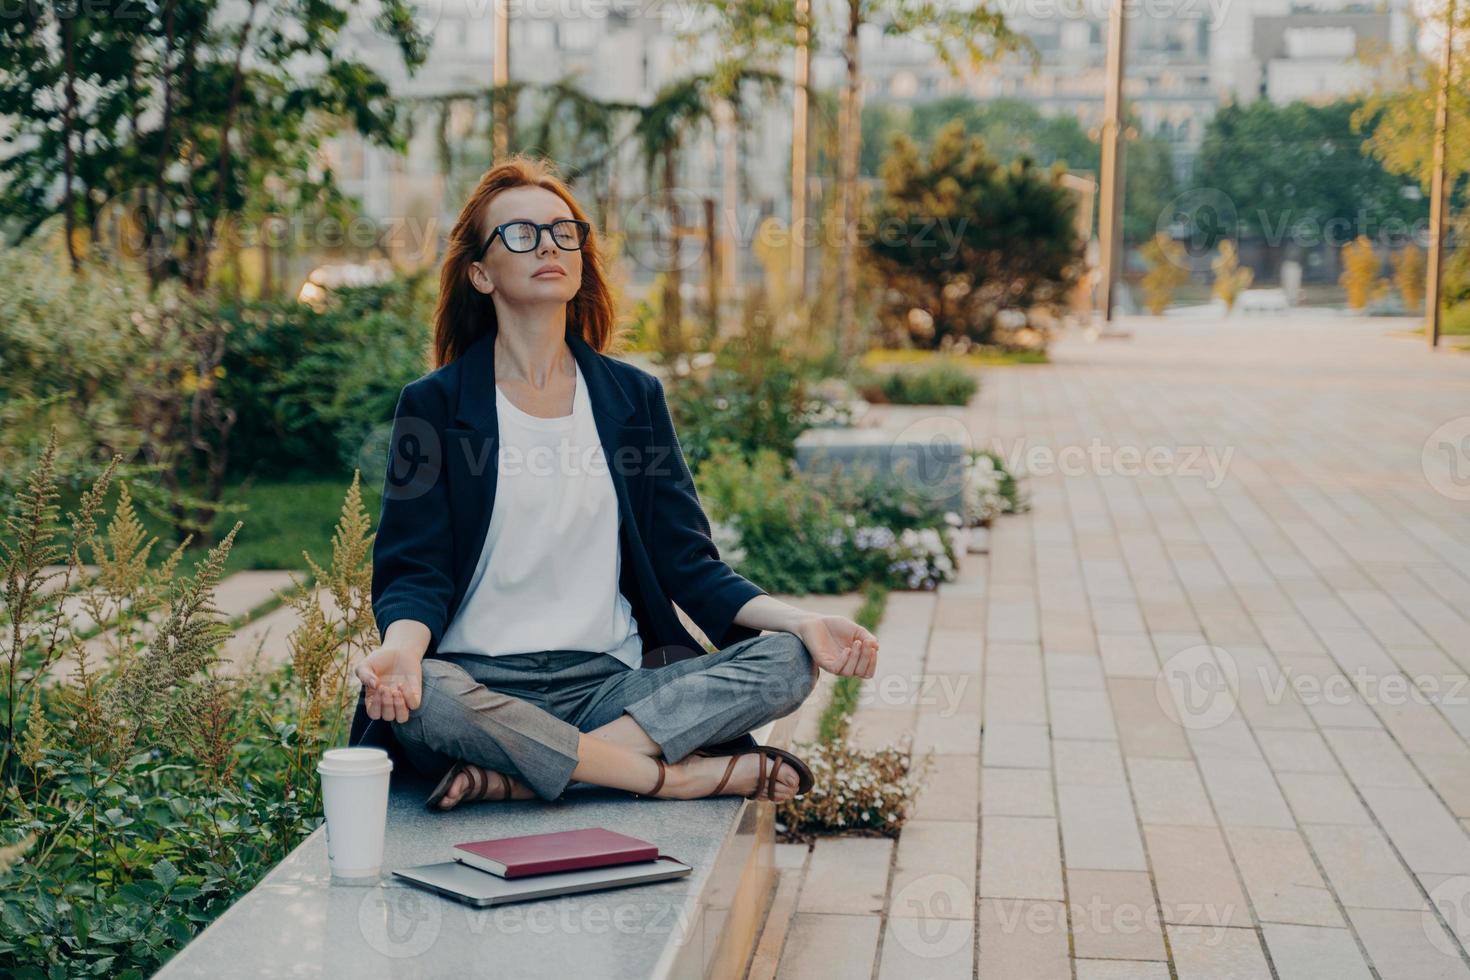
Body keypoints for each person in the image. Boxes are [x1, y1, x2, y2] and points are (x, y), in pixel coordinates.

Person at [350, 155, 879, 811]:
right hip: (478, 684)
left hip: (608, 684)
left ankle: (526, 773)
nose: (549, 244)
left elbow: (687, 563)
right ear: (480, 273)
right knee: (427, 699)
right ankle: (664, 775)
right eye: (521, 233)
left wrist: (803, 620)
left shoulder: (632, 398)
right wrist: (402, 653)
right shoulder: (434, 405)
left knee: (787, 662)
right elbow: (414, 567)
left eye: (563, 230)